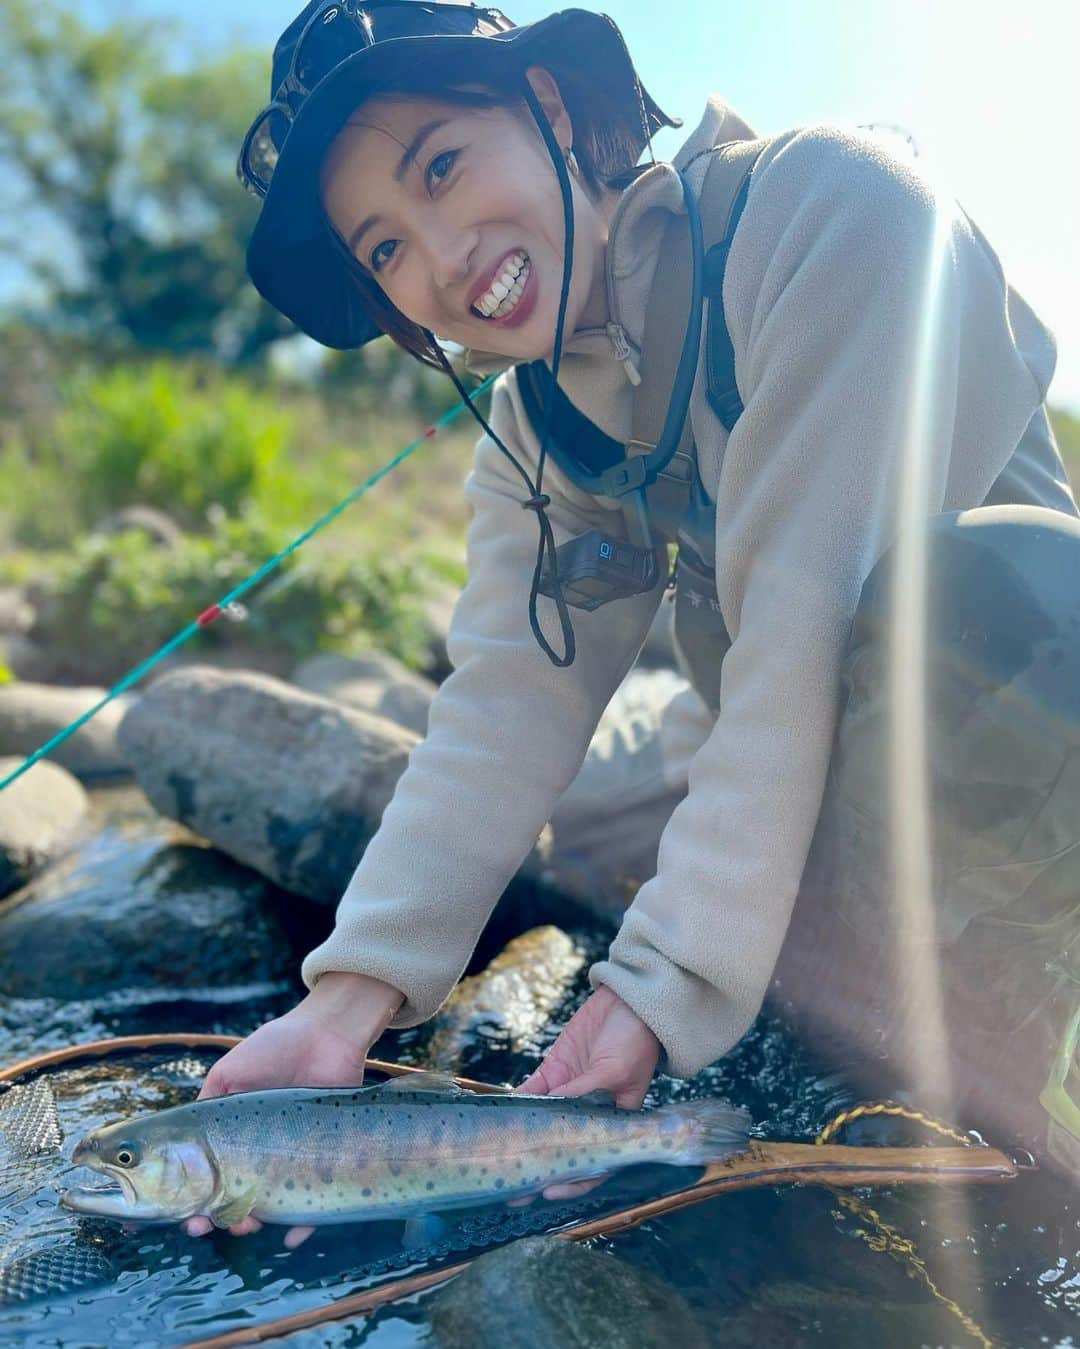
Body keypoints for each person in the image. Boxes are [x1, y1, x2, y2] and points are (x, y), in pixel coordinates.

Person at [187, 0, 1080, 1240]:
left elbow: (796, 635)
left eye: (442, 165)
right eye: (384, 250)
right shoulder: (533, 436)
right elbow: (501, 709)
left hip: (1017, 765)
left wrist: (661, 984)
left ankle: (1003, 1066)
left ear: (551, 105)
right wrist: (348, 997)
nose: (442, 259)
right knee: (617, 848)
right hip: (807, 800)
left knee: (1008, 598)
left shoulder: (838, 212)